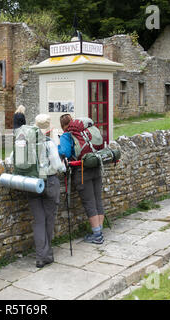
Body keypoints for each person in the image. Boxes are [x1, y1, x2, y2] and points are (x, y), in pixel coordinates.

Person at [58, 114, 106, 244]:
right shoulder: (85, 131)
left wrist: (58, 148)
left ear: (63, 126)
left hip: (82, 171)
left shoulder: (66, 135)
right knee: (97, 200)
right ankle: (99, 231)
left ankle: (97, 236)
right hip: (96, 165)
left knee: (89, 202)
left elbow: (66, 153)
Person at [27, 114, 66, 268]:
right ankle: (46, 255)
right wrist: (63, 165)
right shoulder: (49, 143)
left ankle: (40, 256)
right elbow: (57, 166)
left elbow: (12, 159)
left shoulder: (26, 143)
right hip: (49, 182)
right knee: (49, 219)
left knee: (38, 221)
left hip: (32, 184)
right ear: (49, 128)